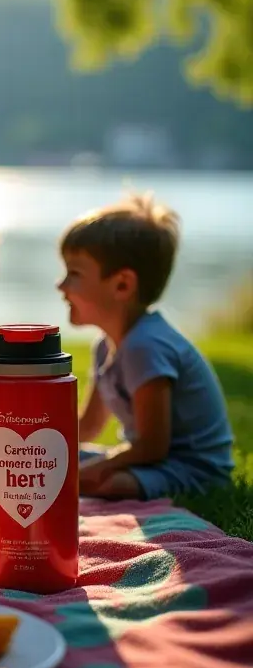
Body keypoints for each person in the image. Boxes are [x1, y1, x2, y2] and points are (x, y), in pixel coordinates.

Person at [58, 195, 233, 500]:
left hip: (190, 468)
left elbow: (153, 445)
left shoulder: (145, 347)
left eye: (74, 274)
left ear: (123, 285)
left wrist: (93, 470)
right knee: (55, 464)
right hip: (150, 461)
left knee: (110, 484)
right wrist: (37, 450)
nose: (61, 286)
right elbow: (87, 428)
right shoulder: (105, 347)